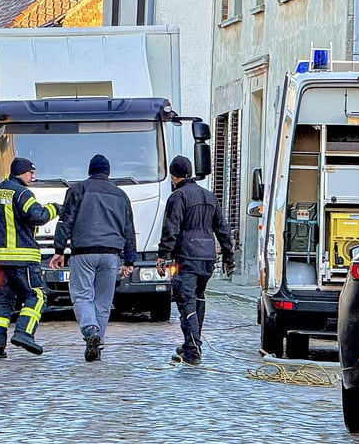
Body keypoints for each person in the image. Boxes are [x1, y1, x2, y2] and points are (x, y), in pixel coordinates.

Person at [49, 154, 137, 362]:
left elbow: (66, 221)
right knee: (103, 302)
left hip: (84, 253)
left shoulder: (77, 190)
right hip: (111, 255)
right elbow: (128, 229)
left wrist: (59, 250)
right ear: (108, 172)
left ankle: (90, 331)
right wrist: (130, 261)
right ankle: (98, 344)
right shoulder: (120, 195)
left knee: (82, 295)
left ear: (90, 170)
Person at [0, 157, 59, 359]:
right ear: (20, 173)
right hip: (23, 259)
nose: (33, 176)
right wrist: (55, 208)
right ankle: (24, 333)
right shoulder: (22, 193)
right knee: (36, 296)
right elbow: (37, 215)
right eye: (30, 172)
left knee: (2, 303)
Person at [156, 155, 235, 366]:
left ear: (174, 176)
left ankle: (192, 349)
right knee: (198, 298)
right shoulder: (209, 196)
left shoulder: (178, 197)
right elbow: (223, 228)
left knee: (186, 301)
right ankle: (192, 344)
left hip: (187, 256)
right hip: (208, 256)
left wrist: (163, 256)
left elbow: (171, 229)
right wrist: (229, 256)